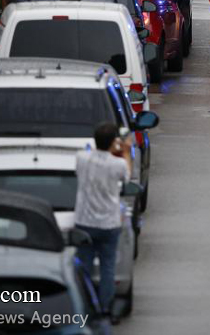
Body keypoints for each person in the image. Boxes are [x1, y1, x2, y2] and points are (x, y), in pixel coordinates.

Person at [74, 122, 133, 322]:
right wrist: (124, 150)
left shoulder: (82, 159)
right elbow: (127, 176)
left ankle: (85, 306)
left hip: (85, 222)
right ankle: (105, 308)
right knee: (108, 267)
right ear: (113, 142)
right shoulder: (117, 164)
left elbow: (87, 155)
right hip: (109, 224)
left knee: (84, 266)